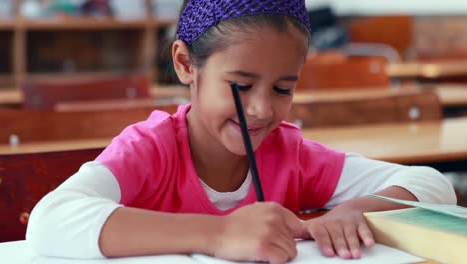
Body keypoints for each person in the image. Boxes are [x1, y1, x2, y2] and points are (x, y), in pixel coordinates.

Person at [27, 1, 456, 263]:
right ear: (185, 64)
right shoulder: (151, 150)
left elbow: (432, 185)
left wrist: (350, 211)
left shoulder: (289, 153)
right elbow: (49, 222)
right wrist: (220, 234)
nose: (262, 109)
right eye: (241, 86)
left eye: (284, 88)